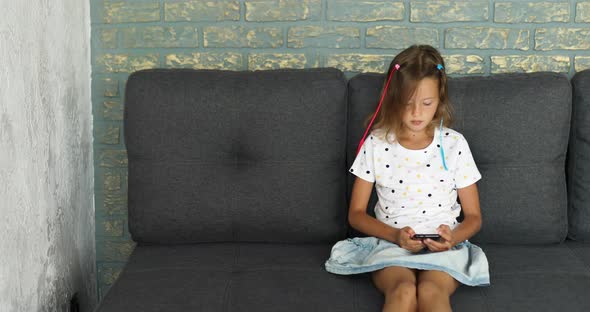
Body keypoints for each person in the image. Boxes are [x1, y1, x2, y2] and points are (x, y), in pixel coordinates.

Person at [325, 45, 490, 312]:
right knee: (403, 292)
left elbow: (474, 218)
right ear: (393, 98)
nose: (416, 113)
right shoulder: (377, 143)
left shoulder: (454, 144)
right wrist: (395, 235)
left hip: (443, 249)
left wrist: (453, 237)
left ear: (440, 99)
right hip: (391, 245)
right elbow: (356, 214)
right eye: (407, 103)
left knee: (430, 291)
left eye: (426, 103)